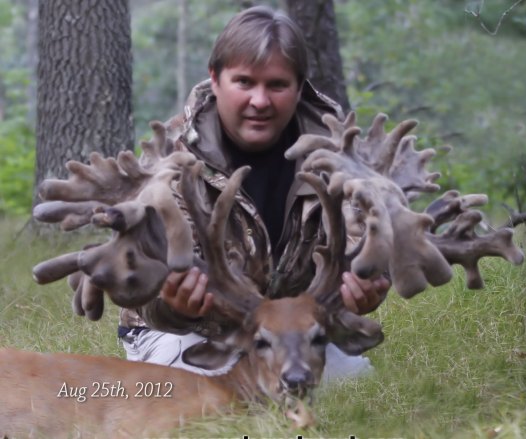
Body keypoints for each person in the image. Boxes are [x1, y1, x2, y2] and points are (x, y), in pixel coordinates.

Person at [119, 5, 390, 380]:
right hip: (185, 334)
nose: (260, 102)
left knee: (356, 386)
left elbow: (364, 253)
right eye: (244, 82)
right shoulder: (171, 159)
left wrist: (365, 289)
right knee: (195, 403)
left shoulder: (339, 157)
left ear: (299, 87)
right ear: (215, 79)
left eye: (277, 85)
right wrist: (173, 302)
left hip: (292, 329)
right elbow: (140, 281)